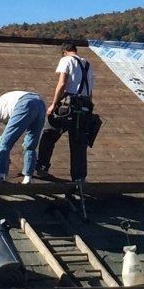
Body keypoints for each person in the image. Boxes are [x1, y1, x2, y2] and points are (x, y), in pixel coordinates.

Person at [35, 42, 97, 184]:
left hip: (68, 105)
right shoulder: (88, 64)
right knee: (79, 143)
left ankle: (42, 166)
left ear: (64, 51)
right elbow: (90, 90)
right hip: (85, 106)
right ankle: (79, 177)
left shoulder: (66, 60)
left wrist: (53, 104)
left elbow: (62, 83)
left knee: (49, 133)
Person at [0, 90, 47, 183]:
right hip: (40, 102)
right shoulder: (3, 104)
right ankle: (27, 178)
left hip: (24, 103)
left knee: (3, 143)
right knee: (31, 144)